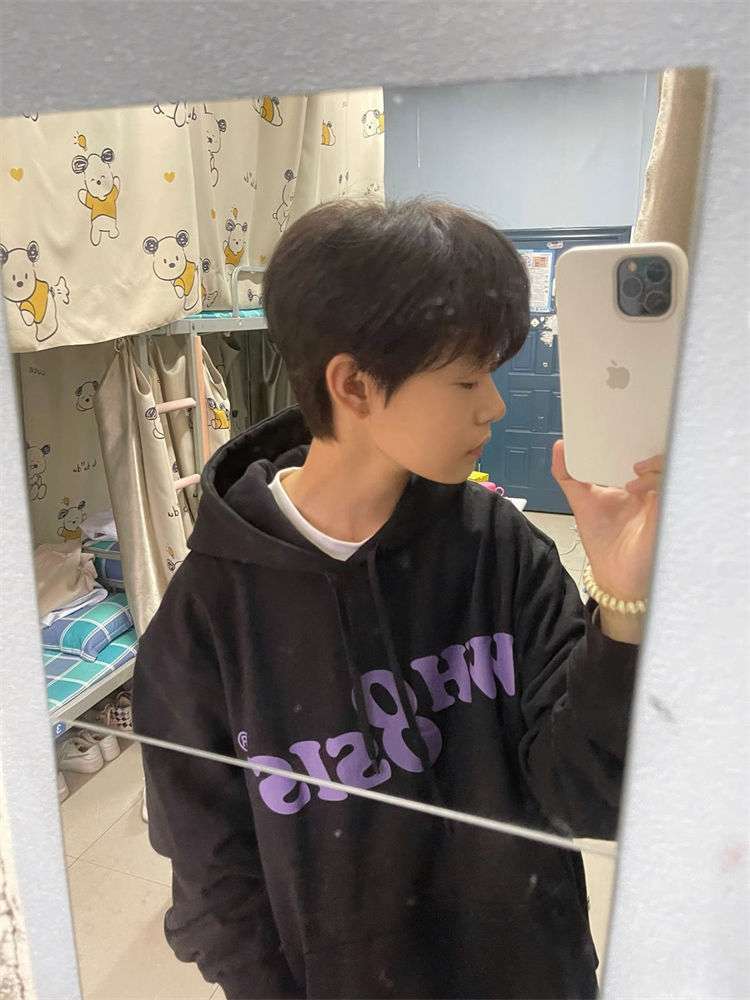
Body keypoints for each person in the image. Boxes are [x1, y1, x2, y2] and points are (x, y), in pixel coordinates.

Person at [133, 197, 662, 1000]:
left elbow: (590, 799)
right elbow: (212, 882)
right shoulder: (207, 616)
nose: (495, 405)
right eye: (467, 378)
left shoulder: (499, 551)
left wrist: (621, 604)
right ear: (354, 385)